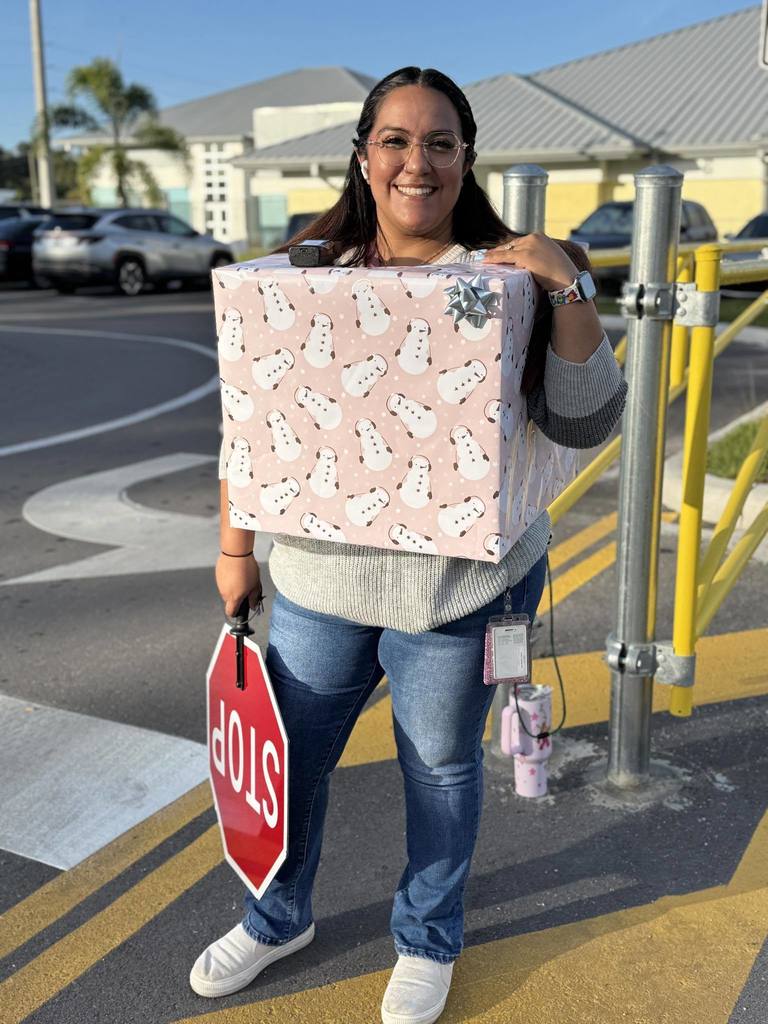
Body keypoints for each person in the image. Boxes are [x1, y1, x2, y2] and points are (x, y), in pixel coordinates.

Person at [190, 66, 627, 1024]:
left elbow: (591, 422)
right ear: (363, 154)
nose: (415, 162)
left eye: (438, 143)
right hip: (316, 584)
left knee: (439, 767)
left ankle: (427, 936)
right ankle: (276, 916)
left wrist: (571, 282)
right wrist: (236, 551)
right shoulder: (305, 269)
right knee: (291, 759)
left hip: (455, 592)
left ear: (466, 158)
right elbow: (250, 421)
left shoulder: (509, 273)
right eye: (395, 140)